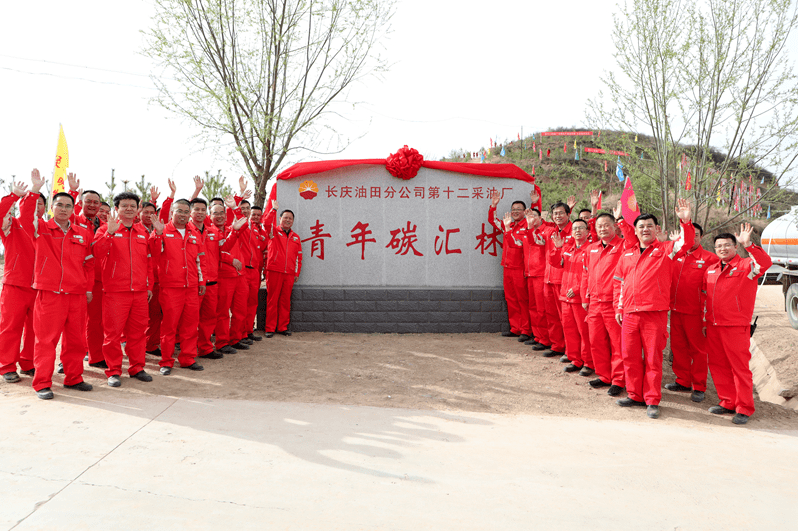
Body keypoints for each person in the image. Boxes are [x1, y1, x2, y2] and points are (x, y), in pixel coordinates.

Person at [613, 199, 695, 419]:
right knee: (629, 356)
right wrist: (619, 308)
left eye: (649, 226)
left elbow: (686, 243)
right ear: (636, 231)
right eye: (641, 227)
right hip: (629, 313)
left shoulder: (666, 249)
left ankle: (651, 400)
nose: (645, 229)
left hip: (654, 313)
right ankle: (634, 395)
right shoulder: (628, 253)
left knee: (652, 358)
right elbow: (620, 283)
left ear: (657, 230)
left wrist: (686, 221)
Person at [27, 187, 95, 400]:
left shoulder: (82, 233)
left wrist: (88, 288)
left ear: (73, 209)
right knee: (46, 341)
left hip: (76, 295)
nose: (64, 209)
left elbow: (89, 264)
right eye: (59, 205)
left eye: (68, 206)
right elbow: (27, 214)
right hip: (51, 294)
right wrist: (33, 192)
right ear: (51, 208)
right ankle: (42, 383)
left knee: (76, 340)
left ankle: (73, 378)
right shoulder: (41, 228)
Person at [703, 224, 772, 425]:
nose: (722, 249)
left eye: (727, 245)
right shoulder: (711, 270)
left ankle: (744, 407)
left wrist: (748, 244)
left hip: (735, 326)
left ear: (735, 247)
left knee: (739, 368)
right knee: (717, 365)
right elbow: (705, 298)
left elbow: (765, 263)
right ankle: (727, 401)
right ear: (714, 249)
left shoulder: (746, 267)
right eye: (718, 246)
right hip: (713, 326)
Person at [92, 192, 155, 386]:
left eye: (132, 205)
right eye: (124, 205)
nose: (128, 208)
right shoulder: (105, 229)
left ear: (137, 210)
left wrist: (149, 285)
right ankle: (113, 371)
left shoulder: (143, 232)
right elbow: (96, 253)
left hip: (139, 292)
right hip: (115, 292)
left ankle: (137, 367)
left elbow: (149, 262)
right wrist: (110, 233)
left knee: (138, 333)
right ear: (116, 209)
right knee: (112, 335)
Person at [149, 198, 206, 375]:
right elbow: (153, 252)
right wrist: (157, 234)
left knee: (190, 325)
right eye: (178, 211)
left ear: (190, 214)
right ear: (172, 212)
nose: (182, 214)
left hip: (191, 287)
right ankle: (166, 361)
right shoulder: (163, 230)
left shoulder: (194, 233)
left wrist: (201, 281)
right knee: (169, 326)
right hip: (171, 287)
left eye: (185, 211)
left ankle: (188, 358)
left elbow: (200, 260)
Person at [665, 223, 719, 403]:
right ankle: (683, 380)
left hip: (696, 313)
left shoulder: (710, 258)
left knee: (698, 351)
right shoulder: (675, 255)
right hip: (675, 309)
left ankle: (699, 386)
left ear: (701, 237)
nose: (692, 238)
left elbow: (712, 289)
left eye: (695, 235)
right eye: (687, 234)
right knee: (678, 347)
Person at [581, 206, 632, 391]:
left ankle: (619, 380)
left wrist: (621, 218)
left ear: (615, 227)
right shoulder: (591, 248)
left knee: (617, 343)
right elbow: (585, 274)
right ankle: (604, 375)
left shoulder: (623, 246)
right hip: (594, 303)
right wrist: (584, 297)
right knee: (596, 341)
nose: (602, 229)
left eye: (606, 225)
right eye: (599, 226)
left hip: (614, 303)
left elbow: (631, 237)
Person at [0, 176, 42, 383]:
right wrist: (14, 196)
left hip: (40, 287)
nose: (37, 206)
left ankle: (29, 363)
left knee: (36, 330)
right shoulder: (11, 224)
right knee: (10, 328)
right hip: (15, 286)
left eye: (41, 202)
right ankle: (7, 366)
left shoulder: (47, 229)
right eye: (34, 201)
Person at [67, 176, 107, 369]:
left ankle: (96, 356)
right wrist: (73, 192)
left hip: (98, 280)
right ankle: (67, 360)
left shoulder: (104, 225)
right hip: (75, 279)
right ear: (81, 203)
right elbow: (64, 211)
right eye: (88, 201)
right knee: (74, 323)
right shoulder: (74, 219)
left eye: (95, 202)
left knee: (96, 322)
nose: (92, 205)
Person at [549, 218, 593, 374]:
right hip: (565, 297)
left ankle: (588, 362)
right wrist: (557, 247)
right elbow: (555, 263)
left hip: (580, 298)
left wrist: (577, 288)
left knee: (584, 331)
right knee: (570, 330)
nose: (577, 231)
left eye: (581, 228)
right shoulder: (568, 248)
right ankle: (575, 359)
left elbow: (591, 274)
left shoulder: (591, 250)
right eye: (575, 228)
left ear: (588, 232)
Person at [488, 191, 532, 341]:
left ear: (524, 212)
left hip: (520, 268)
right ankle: (515, 328)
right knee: (511, 298)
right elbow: (492, 220)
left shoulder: (527, 226)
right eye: (513, 209)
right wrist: (493, 206)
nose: (515, 212)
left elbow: (520, 245)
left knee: (522, 300)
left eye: (518, 209)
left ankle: (526, 329)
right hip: (507, 267)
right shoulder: (508, 224)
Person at [537, 198, 575, 357]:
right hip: (549, 279)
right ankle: (556, 345)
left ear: (568, 214)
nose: (558, 216)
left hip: (563, 280)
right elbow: (536, 229)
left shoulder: (574, 231)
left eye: (561, 213)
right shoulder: (551, 231)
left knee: (565, 318)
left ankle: (570, 349)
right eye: (555, 213)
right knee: (551, 315)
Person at [215, 196, 251, 352]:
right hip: (224, 276)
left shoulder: (232, 229)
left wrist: (236, 208)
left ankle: (236, 338)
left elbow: (244, 223)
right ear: (210, 216)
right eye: (216, 213)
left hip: (240, 276)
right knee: (223, 312)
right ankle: (222, 342)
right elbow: (215, 252)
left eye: (222, 213)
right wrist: (230, 260)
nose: (220, 216)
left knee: (240, 310)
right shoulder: (210, 231)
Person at [263, 200, 303, 337]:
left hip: (289, 273)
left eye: (290, 218)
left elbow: (299, 257)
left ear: (293, 221)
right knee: (272, 300)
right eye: (285, 217)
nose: (287, 220)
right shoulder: (273, 231)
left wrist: (296, 272)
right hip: (274, 271)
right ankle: (269, 328)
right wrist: (273, 210)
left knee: (285, 301)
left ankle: (282, 327)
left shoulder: (296, 237)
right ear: (280, 219)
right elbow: (266, 223)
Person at [521, 205, 550, 351]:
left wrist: (530, 226)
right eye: (530, 216)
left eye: (534, 216)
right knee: (532, 307)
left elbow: (537, 241)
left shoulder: (546, 230)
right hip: (530, 273)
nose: (531, 219)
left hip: (541, 274)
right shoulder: (529, 230)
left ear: (540, 218)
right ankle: (537, 336)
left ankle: (545, 338)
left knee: (541, 309)